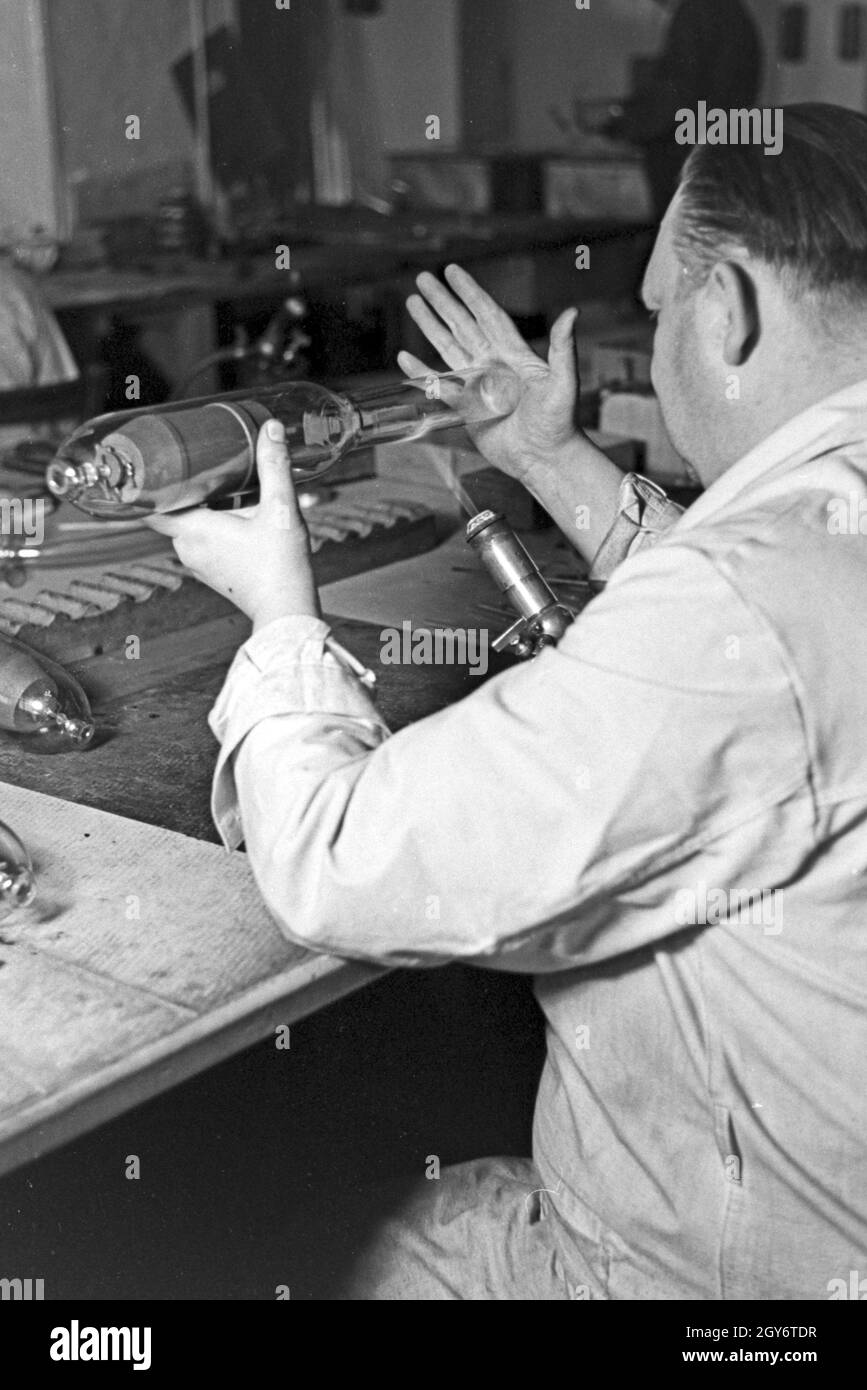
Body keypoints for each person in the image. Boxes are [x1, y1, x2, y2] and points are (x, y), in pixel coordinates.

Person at [148, 103, 867, 1300]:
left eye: (661, 304)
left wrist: (279, 613)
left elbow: (340, 862)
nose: (661, 327)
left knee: (326, 1247)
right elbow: (770, 644)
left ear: (729, 308)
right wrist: (551, 458)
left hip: (717, 1282)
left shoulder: (742, 605)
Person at [604, 0, 763, 218]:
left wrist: (621, 125)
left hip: (687, 157)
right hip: (720, 152)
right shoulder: (734, 12)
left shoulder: (698, 11)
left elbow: (675, 92)